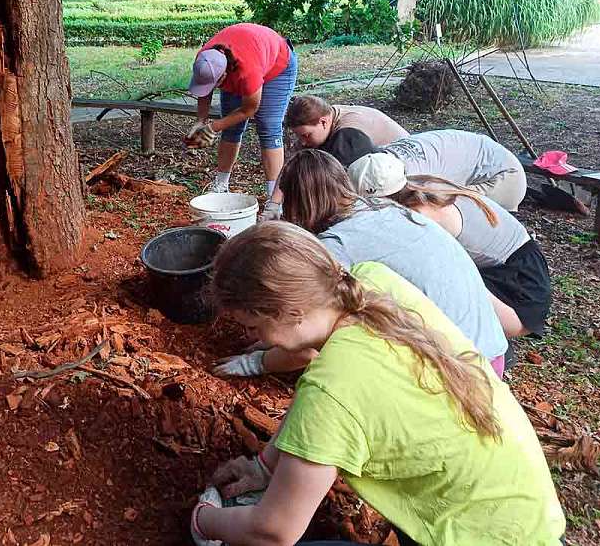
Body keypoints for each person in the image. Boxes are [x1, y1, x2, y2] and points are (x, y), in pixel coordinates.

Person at [191, 222, 566, 546]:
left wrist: (202, 519)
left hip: (481, 533)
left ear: (290, 311)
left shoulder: (333, 388)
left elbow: (273, 532)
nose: (254, 336)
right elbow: (330, 399)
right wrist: (265, 465)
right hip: (522, 508)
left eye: (253, 326)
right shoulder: (369, 282)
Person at [213, 149, 508, 379]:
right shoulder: (381, 208)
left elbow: (310, 342)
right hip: (490, 348)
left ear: (299, 202)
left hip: (461, 369)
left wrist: (256, 362)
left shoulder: (337, 247)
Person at [348, 152, 552, 339]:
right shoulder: (422, 184)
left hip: (518, 295)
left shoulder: (421, 216)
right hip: (524, 267)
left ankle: (488, 347)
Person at [185, 23, 299, 203]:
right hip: (246, 58)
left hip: (278, 67)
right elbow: (203, 90)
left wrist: (213, 127)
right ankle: (221, 186)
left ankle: (274, 199)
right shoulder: (205, 58)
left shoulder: (247, 72)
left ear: (224, 76)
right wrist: (201, 121)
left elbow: (249, 109)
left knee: (268, 127)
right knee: (231, 128)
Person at [381, 129, 527, 212]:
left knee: (432, 209)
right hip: (484, 155)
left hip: (505, 176)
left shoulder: (413, 177)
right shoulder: (381, 154)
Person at [285, 94, 409, 147]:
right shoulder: (328, 114)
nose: (303, 143)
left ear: (323, 122)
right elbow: (292, 165)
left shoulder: (348, 133)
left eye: (306, 136)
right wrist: (274, 201)